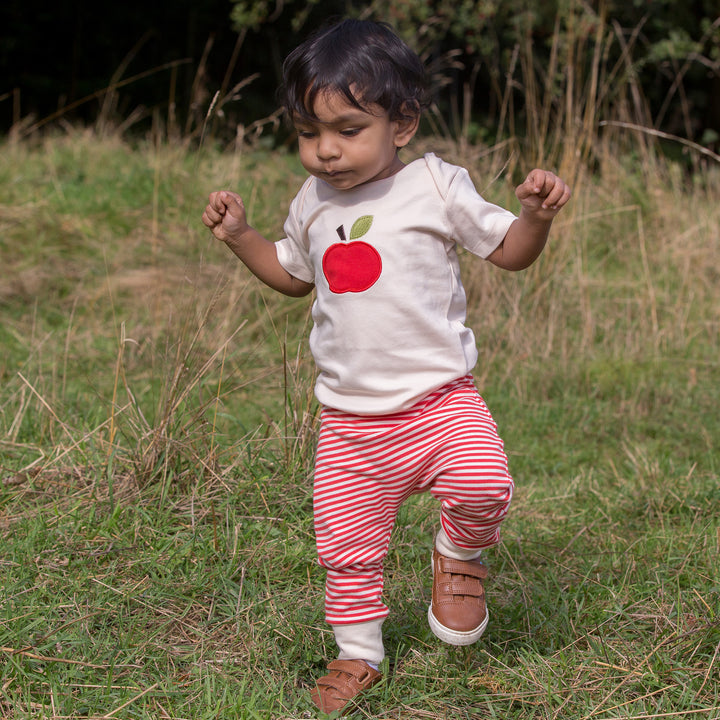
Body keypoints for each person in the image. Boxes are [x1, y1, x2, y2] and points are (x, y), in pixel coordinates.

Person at [202, 18, 571, 714]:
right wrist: (240, 236)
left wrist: (536, 219)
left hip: (440, 404)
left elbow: (510, 252)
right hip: (349, 426)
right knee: (347, 547)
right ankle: (357, 653)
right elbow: (290, 276)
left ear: (401, 123)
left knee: (486, 484)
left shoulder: (436, 184)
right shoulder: (312, 204)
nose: (325, 151)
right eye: (309, 133)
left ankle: (459, 554)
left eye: (347, 130)